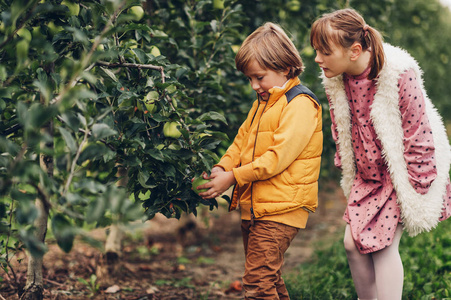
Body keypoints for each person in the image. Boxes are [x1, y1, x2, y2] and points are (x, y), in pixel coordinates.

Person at [310, 8, 451, 300]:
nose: (317, 59)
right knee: (353, 245)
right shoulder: (336, 80)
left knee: (383, 247)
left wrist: (418, 185)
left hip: (400, 173)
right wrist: (344, 161)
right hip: (368, 175)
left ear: (355, 50)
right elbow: (340, 125)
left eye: (324, 51)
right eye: (316, 51)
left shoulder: (398, 74)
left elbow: (418, 131)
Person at [195, 22, 323, 299]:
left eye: (259, 77)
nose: (254, 86)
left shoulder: (300, 104)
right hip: (257, 206)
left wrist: (233, 177)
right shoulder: (264, 102)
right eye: (249, 79)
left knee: (257, 282)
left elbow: (276, 159)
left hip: (281, 208)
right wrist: (222, 167)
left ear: (286, 68)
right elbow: (241, 142)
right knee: (268, 278)